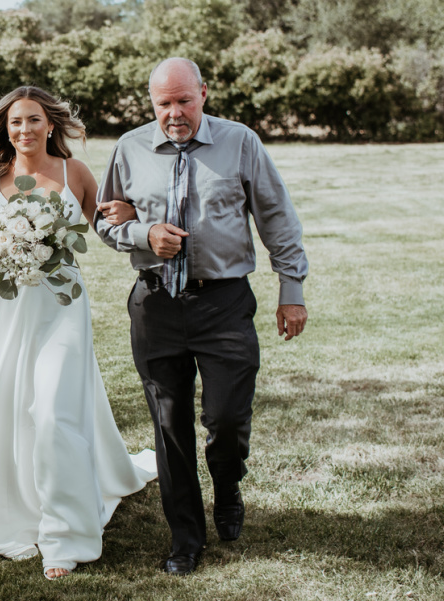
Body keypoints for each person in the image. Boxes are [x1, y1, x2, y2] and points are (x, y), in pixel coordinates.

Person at [95, 58, 309, 576]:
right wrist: (145, 235)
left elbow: (275, 214)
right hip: (155, 306)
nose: (174, 113)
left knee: (228, 418)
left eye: (183, 101)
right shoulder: (129, 148)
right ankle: (185, 539)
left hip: (225, 304)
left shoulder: (240, 142)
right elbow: (105, 222)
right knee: (169, 427)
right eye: (163, 103)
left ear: (204, 94)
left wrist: (291, 288)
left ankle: (228, 484)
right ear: (152, 103)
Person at [0, 86, 155, 581]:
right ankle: (15, 503)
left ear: (50, 124)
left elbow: (105, 225)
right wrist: (13, 246)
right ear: (5, 128)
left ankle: (65, 538)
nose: (24, 130)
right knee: (11, 407)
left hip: (63, 305)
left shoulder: (74, 172)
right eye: (15, 122)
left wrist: (132, 219)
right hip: (9, 307)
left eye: (34, 120)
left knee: (54, 410)